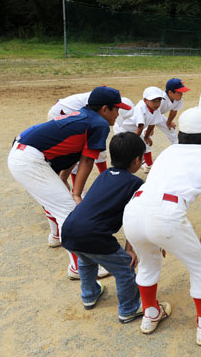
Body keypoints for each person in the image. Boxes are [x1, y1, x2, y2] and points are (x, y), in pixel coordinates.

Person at [122, 107, 201, 345]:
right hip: (166, 215)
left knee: (148, 264)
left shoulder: (168, 151)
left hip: (134, 211)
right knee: (199, 267)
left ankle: (150, 314)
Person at [7, 86, 131, 278]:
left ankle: (56, 235)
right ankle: (77, 267)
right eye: (117, 109)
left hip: (24, 152)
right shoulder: (100, 124)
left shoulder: (84, 115)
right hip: (30, 159)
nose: (118, 114)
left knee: (54, 200)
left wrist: (63, 178)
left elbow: (75, 152)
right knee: (68, 209)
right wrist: (76, 194)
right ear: (105, 109)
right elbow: (88, 160)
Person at [60, 132, 145, 323]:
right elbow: (133, 218)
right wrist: (129, 250)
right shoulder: (136, 184)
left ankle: (89, 295)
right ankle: (128, 309)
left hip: (70, 230)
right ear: (136, 161)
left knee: (86, 259)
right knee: (124, 268)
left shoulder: (105, 174)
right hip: (93, 236)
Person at [47, 91, 108, 178]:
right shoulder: (98, 102)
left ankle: (104, 176)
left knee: (92, 144)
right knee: (74, 149)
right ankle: (71, 185)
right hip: (61, 113)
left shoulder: (100, 99)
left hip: (67, 111)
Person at [114, 86, 165, 173]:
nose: (157, 104)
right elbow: (140, 126)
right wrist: (134, 141)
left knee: (146, 145)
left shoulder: (155, 109)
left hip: (135, 129)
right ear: (145, 100)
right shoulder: (140, 108)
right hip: (122, 129)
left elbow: (152, 124)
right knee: (125, 148)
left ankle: (148, 165)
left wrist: (146, 136)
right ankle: (122, 167)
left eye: (159, 101)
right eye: (154, 101)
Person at [147, 78, 190, 145]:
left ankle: (176, 148)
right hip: (147, 115)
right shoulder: (160, 99)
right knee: (146, 135)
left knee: (171, 130)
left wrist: (168, 122)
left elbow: (174, 111)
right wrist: (150, 129)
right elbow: (153, 113)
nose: (182, 94)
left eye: (182, 92)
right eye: (179, 92)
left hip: (158, 114)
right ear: (170, 93)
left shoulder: (178, 99)